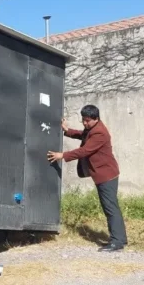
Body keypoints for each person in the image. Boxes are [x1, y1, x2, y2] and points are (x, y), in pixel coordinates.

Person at [47, 104, 127, 252]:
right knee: (111, 207)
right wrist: (67, 131)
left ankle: (117, 242)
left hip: (106, 175)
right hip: (105, 174)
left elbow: (84, 150)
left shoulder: (100, 133)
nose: (84, 123)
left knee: (110, 208)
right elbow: (82, 135)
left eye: (87, 120)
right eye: (83, 120)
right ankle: (120, 239)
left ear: (96, 119)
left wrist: (62, 155)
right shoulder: (92, 129)